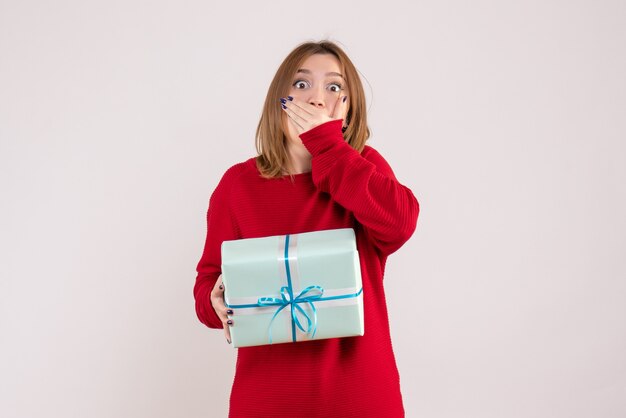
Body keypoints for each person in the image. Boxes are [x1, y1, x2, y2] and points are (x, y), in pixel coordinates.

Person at [193, 40, 420, 418]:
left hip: (360, 399)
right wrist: (213, 300)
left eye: (334, 88)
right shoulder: (237, 185)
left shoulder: (364, 167)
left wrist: (329, 148)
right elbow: (208, 285)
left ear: (348, 113)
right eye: (301, 84)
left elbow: (400, 224)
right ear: (278, 101)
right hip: (266, 401)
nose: (316, 99)